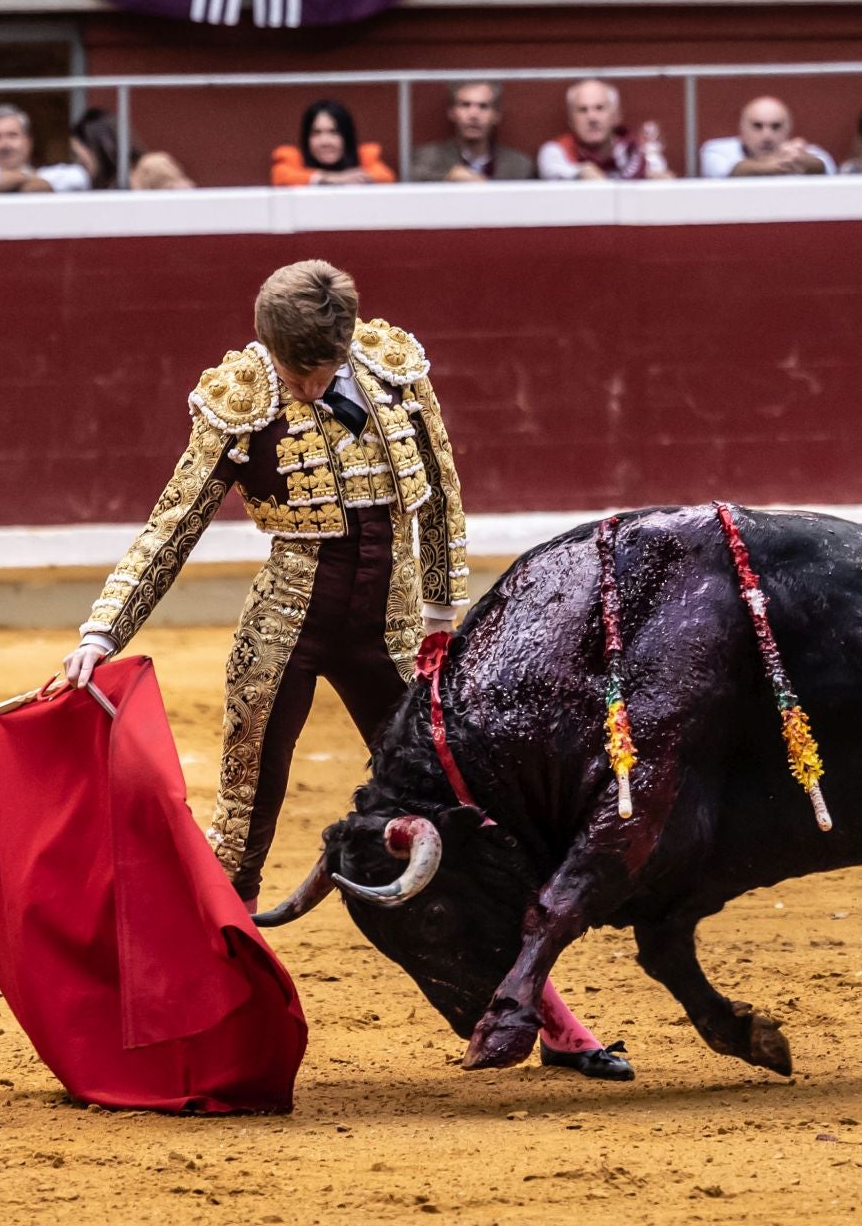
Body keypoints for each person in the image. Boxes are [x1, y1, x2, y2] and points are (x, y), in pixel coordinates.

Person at [59, 260, 632, 1080]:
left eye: (312, 370)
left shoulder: (395, 371)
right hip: (287, 624)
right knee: (240, 836)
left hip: (396, 633)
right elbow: (171, 524)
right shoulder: (240, 397)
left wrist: (440, 619)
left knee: (467, 823)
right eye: (289, 370)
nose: (299, 385)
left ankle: (549, 1024)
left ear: (340, 350)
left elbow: (440, 494)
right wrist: (101, 631)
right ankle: (201, 1032)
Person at [537, 79, 675, 181]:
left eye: (599, 108)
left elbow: (660, 174)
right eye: (582, 110)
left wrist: (661, 179)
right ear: (570, 120)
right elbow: (553, 172)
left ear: (616, 116)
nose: (591, 117)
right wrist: (581, 173)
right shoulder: (556, 151)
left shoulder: (638, 148)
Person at [0, 104, 92, 194]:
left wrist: (14, 181)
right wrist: (30, 178)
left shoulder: (50, 174)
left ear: (28, 142)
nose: (5, 145)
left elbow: (78, 179)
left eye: (13, 136)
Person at [410, 81, 534, 182]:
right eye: (465, 105)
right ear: (452, 112)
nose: (474, 115)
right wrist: (449, 177)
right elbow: (413, 179)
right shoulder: (427, 158)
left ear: (496, 115)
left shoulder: (519, 165)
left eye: (483, 106)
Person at [698, 96, 834, 178]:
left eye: (776, 127)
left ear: (788, 131)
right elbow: (731, 172)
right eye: (757, 126)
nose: (767, 136)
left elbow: (825, 168)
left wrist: (804, 161)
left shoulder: (804, 154)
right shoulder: (716, 150)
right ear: (742, 130)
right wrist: (786, 163)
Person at [270, 101, 396, 186]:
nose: (325, 142)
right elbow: (280, 176)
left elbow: (385, 176)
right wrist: (331, 178)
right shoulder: (294, 157)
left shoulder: (364, 156)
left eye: (333, 132)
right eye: (316, 133)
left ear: (346, 136)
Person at [69, 107, 195, 191]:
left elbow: (188, 204)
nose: (79, 161)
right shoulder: (107, 185)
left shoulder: (151, 166)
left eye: (78, 154)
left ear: (101, 146)